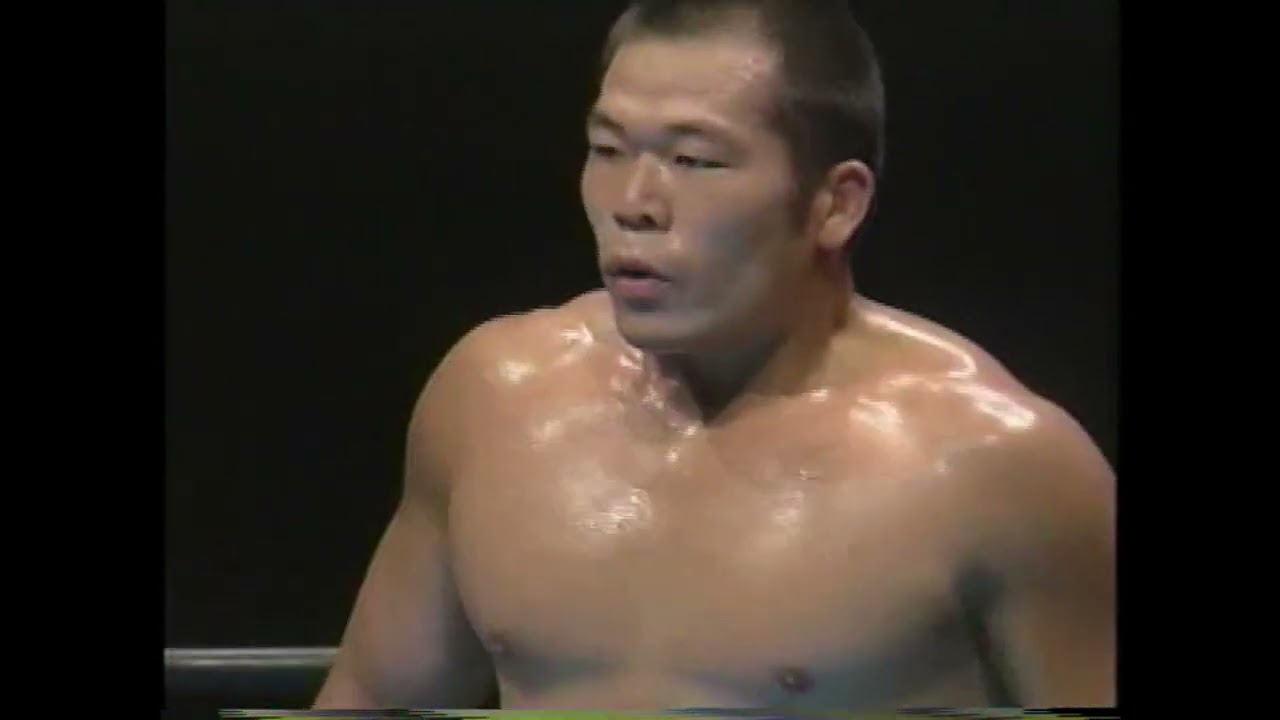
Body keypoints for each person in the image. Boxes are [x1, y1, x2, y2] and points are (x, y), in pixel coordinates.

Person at [313, 0, 1115, 710]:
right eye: (608, 149)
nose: (634, 203)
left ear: (835, 203)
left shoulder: (997, 470)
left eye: (695, 161)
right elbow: (372, 699)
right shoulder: (493, 398)